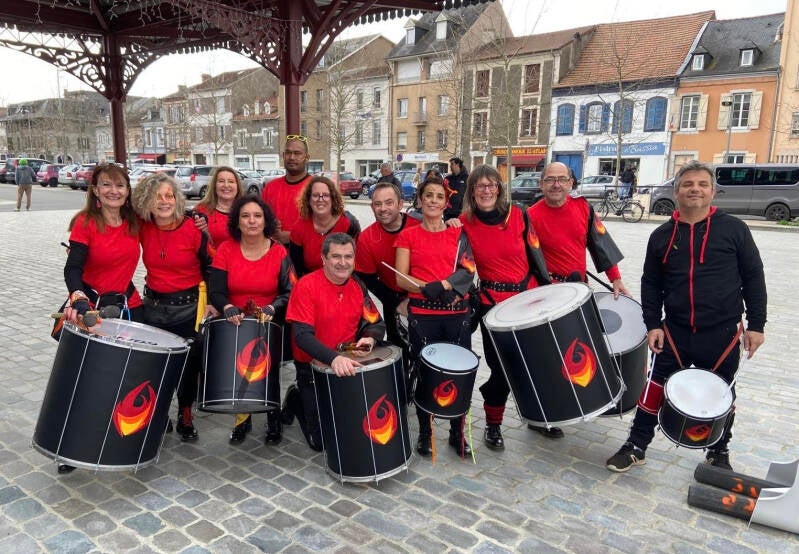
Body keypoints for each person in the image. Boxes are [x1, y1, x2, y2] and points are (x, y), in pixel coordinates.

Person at [606, 160, 766, 473]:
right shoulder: (662, 236)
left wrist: (757, 325)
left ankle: (719, 451)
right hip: (675, 330)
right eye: (688, 184)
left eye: (702, 184)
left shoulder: (734, 230)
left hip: (721, 333)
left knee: (722, 393)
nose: (695, 189)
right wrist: (652, 324)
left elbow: (754, 276)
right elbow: (650, 284)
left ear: (713, 192)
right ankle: (637, 445)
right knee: (654, 387)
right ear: (677, 191)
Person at [526, 161, 630, 439]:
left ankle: (584, 400)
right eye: (550, 180)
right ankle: (543, 414)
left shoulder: (584, 209)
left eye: (562, 179)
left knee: (582, 348)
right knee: (548, 356)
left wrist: (616, 278)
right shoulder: (531, 215)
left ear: (572, 183)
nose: (556, 185)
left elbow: (601, 244)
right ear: (541, 184)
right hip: (547, 294)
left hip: (579, 292)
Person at [456, 165, 550, 450]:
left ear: (499, 188)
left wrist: (549, 293)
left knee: (534, 363)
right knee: (501, 368)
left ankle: (539, 415)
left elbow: (537, 254)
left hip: (528, 301)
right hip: (492, 307)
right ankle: (494, 425)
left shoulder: (519, 215)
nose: (486, 190)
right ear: (472, 191)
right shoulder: (463, 222)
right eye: (479, 186)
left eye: (491, 185)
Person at [59, 163, 142, 474]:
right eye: (106, 185)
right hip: (92, 308)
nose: (113, 191)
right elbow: (72, 270)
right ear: (94, 189)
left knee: (129, 375)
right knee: (85, 379)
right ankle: (71, 444)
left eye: (120, 186)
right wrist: (77, 298)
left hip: (127, 303)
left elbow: (167, 214)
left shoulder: (133, 221)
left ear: (127, 191)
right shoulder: (85, 223)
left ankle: (131, 428)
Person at [395, 174, 476, 459]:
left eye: (439, 197)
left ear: (446, 203)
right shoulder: (408, 235)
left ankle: (457, 432)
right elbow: (401, 278)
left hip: (456, 314)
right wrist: (423, 287)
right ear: (419, 200)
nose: (433, 200)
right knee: (425, 372)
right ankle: (425, 432)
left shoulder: (458, 232)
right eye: (428, 195)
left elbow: (468, 269)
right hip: (423, 315)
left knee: (459, 374)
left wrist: (441, 285)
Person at [284, 233, 385, 451]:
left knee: (351, 429)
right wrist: (333, 358)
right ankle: (297, 397)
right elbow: (301, 336)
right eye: (336, 257)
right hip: (312, 369)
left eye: (348, 256)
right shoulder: (306, 285)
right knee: (320, 443)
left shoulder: (357, 285)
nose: (343, 263)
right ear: (323, 258)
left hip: (345, 365)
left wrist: (369, 338)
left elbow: (376, 323)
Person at [208, 196, 294, 445]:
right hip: (235, 322)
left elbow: (290, 291)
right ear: (237, 221)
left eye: (257, 216)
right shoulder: (226, 249)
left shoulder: (279, 252)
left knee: (270, 373)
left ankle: (273, 418)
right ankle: (241, 420)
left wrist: (273, 307)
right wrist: (226, 306)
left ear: (265, 220)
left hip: (268, 322)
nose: (252, 221)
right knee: (239, 373)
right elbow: (216, 289)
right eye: (245, 216)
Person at [131, 173, 211, 442]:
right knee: (155, 366)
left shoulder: (193, 228)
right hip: (153, 307)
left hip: (188, 307)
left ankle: (185, 412)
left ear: (176, 198)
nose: (163, 201)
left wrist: (212, 303)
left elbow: (210, 267)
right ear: (146, 200)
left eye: (169, 195)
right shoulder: (142, 225)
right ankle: (158, 413)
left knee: (188, 366)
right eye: (157, 196)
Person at [355, 182, 420, 372]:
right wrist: (396, 303)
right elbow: (368, 280)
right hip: (393, 299)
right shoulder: (367, 238)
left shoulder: (418, 226)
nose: (383, 209)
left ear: (400, 204)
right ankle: (402, 395)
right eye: (377, 204)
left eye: (389, 202)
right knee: (398, 353)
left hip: (424, 298)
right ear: (371, 206)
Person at [289, 176, 360, 277]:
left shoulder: (349, 224)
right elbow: (296, 268)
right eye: (315, 195)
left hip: (342, 279)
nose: (320, 199)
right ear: (308, 199)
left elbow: (355, 264)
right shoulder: (299, 228)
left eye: (326, 195)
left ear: (333, 198)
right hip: (311, 283)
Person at [262, 135, 313, 245]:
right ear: (283, 156)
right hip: (273, 255)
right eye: (288, 153)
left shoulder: (316, 188)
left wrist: (292, 236)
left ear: (307, 157)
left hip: (304, 256)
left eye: (297, 153)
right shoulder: (270, 188)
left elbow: (326, 227)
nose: (292, 157)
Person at [194, 166, 244, 250]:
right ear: (214, 186)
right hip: (213, 261)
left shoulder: (247, 210)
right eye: (221, 181)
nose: (226, 185)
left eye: (231, 181)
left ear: (237, 186)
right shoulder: (201, 211)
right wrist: (205, 234)